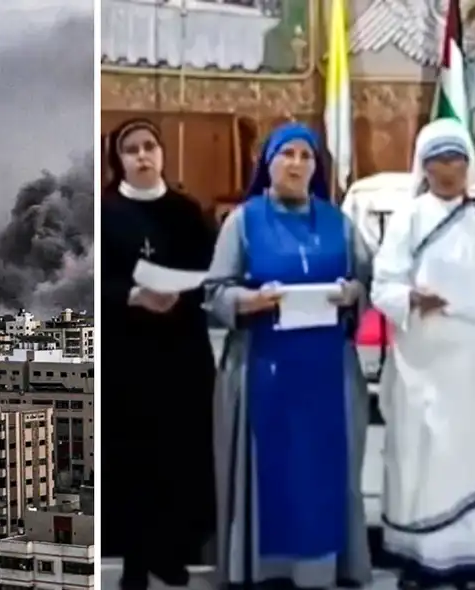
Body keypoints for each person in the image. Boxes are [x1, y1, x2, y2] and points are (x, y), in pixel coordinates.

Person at [205, 122, 373, 590]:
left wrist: (352, 293)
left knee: (324, 472)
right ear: (269, 163)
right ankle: (264, 569)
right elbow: (216, 290)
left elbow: (367, 283)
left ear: (316, 167)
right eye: (287, 154)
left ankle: (324, 569)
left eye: (306, 156)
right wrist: (250, 301)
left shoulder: (340, 223)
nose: (297, 164)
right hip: (263, 366)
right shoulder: (243, 221)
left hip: (328, 371)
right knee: (271, 473)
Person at [371, 118, 475, 590]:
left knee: (469, 454)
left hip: (471, 360)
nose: (449, 170)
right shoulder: (407, 218)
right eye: (439, 160)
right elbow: (383, 284)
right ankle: (420, 556)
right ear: (423, 166)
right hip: (419, 358)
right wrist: (411, 298)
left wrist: (455, 298)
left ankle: (472, 558)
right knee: (421, 454)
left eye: (457, 159)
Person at [100, 118, 216, 590]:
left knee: (180, 456)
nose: (143, 155)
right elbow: (95, 283)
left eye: (150, 146)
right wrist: (133, 295)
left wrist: (180, 294)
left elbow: (212, 270)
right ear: (119, 159)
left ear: (162, 153)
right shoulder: (105, 213)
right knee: (132, 460)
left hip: (181, 355)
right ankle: (133, 560)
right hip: (129, 358)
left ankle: (172, 553)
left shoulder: (188, 212)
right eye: (132, 149)